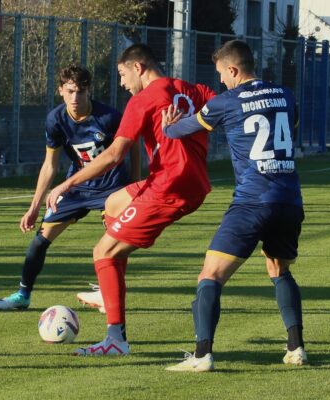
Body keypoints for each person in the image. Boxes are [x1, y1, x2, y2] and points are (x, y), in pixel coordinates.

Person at [46, 45, 215, 356]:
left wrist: (66, 184)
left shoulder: (143, 100)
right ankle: (110, 288)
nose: (122, 83)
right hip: (191, 183)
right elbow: (225, 109)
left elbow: (113, 155)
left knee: (102, 251)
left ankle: (115, 339)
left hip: (170, 187)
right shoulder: (193, 89)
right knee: (113, 203)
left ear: (139, 67)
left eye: (123, 74)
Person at [162, 40, 306, 372]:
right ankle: (296, 348)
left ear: (233, 69)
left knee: (209, 275)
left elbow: (187, 127)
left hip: (253, 201)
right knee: (279, 270)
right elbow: (288, 129)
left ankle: (201, 356)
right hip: (289, 200)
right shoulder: (285, 95)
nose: (221, 82)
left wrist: (169, 126)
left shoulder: (226, 101)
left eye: (221, 75)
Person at [0, 65, 139, 311]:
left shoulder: (109, 117)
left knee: (113, 244)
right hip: (76, 188)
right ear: (60, 90)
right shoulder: (55, 120)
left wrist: (134, 185)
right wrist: (34, 207)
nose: (75, 98)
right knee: (40, 241)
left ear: (88, 91)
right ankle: (22, 295)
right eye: (69, 91)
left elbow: (133, 145)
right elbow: (49, 165)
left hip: (112, 187)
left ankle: (108, 295)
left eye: (80, 92)